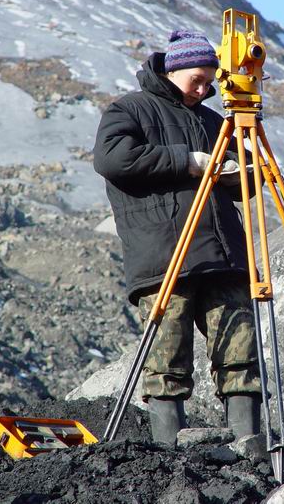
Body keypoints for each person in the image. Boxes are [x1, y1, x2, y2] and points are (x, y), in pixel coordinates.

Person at [92, 30, 262, 446]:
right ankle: (170, 456)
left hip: (223, 256)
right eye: (197, 81)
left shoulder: (213, 120)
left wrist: (241, 169)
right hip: (165, 256)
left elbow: (249, 184)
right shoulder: (129, 109)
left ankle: (251, 449)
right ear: (174, 70)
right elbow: (112, 158)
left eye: (210, 82)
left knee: (241, 352)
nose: (204, 90)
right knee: (168, 359)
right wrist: (186, 161)